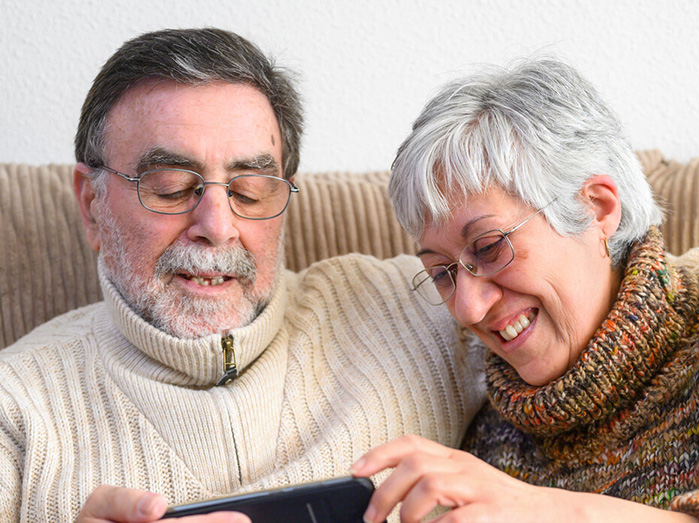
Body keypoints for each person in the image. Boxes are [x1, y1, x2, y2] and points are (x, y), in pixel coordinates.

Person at [0, 28, 486, 522]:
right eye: (170, 188)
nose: (218, 227)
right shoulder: (15, 410)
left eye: (250, 191)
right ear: (92, 206)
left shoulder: (426, 307)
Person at [350, 58, 699, 522]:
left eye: (488, 247)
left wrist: (556, 512)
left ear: (597, 209)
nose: (467, 308)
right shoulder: (489, 439)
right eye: (443, 273)